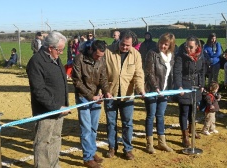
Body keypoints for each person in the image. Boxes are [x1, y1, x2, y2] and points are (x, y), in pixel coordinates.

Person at [26, 31, 70, 168]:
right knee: (43, 141)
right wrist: (57, 106)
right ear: (50, 47)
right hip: (46, 111)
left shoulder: (55, 57)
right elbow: (38, 91)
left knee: (56, 138)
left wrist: (63, 105)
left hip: (59, 109)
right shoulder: (36, 62)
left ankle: (54, 164)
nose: (61, 53)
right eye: (59, 50)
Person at [104, 30, 145, 160]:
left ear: (132, 44)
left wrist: (141, 90)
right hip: (111, 93)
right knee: (111, 122)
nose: (125, 47)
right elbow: (102, 73)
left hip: (127, 95)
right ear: (119, 40)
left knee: (127, 123)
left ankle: (127, 148)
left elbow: (138, 74)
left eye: (128, 45)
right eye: (123, 44)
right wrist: (105, 90)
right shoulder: (108, 51)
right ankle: (112, 147)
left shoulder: (136, 55)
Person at [72, 40, 112, 168]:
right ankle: (87, 158)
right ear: (91, 50)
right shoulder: (79, 59)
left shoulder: (101, 60)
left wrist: (106, 92)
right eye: (97, 55)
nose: (99, 58)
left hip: (97, 96)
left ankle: (92, 151)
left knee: (94, 128)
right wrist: (90, 96)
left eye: (102, 56)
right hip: (83, 97)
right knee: (86, 128)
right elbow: (77, 81)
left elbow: (103, 78)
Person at [144, 33, 175, 154]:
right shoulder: (152, 54)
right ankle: (149, 144)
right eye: (161, 43)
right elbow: (149, 72)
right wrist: (156, 87)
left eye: (166, 44)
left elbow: (170, 74)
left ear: (170, 45)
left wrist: (171, 88)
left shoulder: (171, 56)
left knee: (160, 116)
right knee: (151, 115)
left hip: (165, 91)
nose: (162, 46)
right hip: (152, 90)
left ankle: (162, 142)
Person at [173, 36, 205, 148]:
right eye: (187, 46)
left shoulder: (201, 56)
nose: (188, 49)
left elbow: (202, 71)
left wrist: (202, 85)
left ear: (197, 46)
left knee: (193, 110)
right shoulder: (180, 56)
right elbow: (177, 72)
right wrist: (179, 86)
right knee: (184, 111)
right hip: (184, 84)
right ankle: (185, 135)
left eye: (191, 47)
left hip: (196, 86)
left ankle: (192, 129)